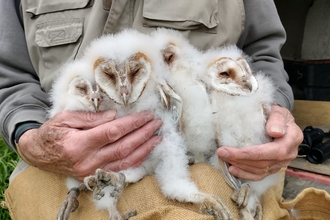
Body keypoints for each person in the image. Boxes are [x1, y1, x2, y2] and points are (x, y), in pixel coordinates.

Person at [0, 0, 303, 219]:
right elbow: (10, 76)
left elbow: (261, 52)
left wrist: (269, 111)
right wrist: (31, 137)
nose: (123, 90)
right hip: (63, 159)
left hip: (210, 157)